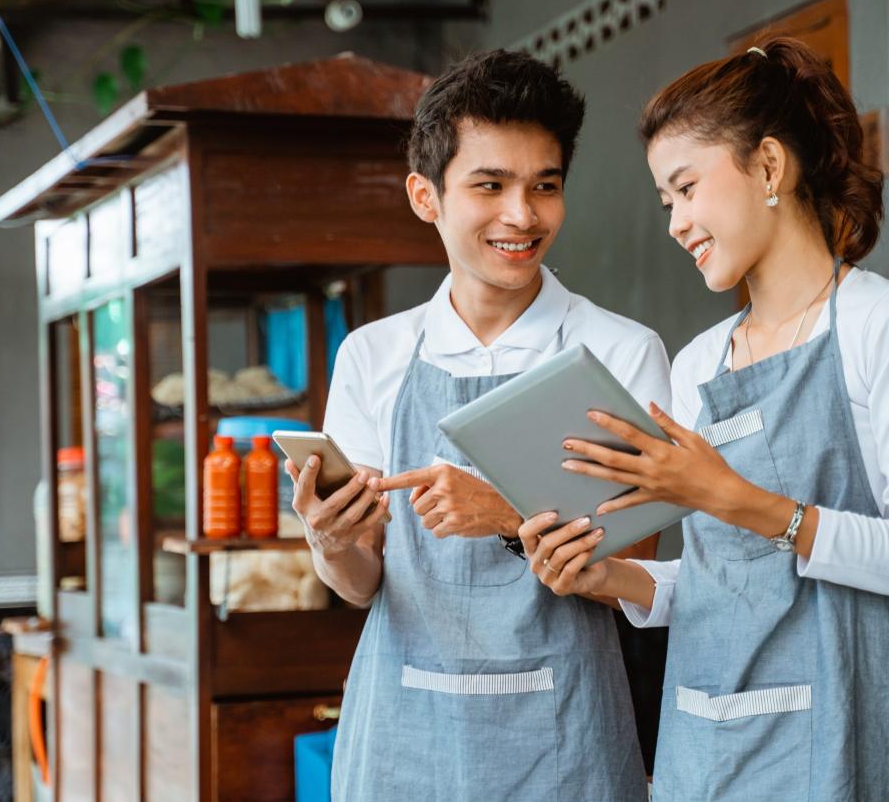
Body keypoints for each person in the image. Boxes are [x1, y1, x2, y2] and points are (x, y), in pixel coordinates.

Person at [519, 38, 889, 801]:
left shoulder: (882, 323)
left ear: (768, 166)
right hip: (709, 739)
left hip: (848, 737)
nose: (676, 223)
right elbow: (723, 580)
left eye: (687, 188)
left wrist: (736, 498)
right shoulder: (700, 362)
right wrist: (613, 577)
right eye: (667, 201)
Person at [286, 49, 671, 801]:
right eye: (490, 185)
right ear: (425, 195)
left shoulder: (621, 351)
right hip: (403, 731)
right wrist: (330, 542)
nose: (522, 216)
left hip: (565, 735)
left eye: (545, 186)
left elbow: (638, 567)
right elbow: (362, 583)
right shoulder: (375, 355)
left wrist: (503, 511)